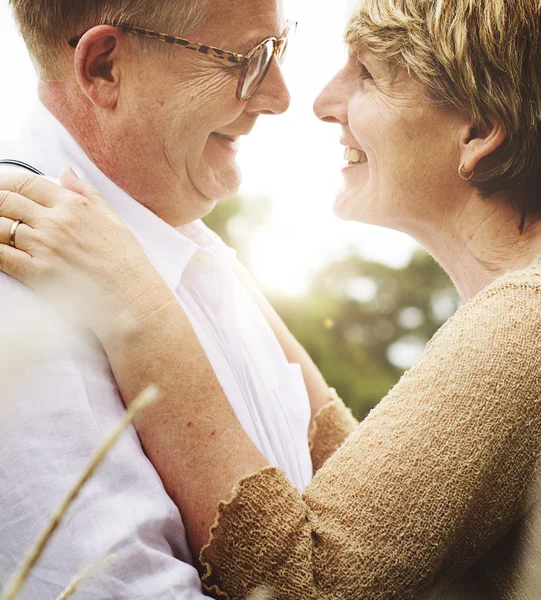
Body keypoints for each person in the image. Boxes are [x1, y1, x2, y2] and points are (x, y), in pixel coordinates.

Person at [1, 0, 541, 598]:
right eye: (249, 58)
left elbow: (307, 580)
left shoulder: (538, 321)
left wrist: (144, 309)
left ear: (477, 132)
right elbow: (380, 509)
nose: (312, 101)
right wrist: (195, 256)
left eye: (366, 74)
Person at [0, 0, 344, 597]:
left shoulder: (190, 244)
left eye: (279, 47)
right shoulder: (25, 296)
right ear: (104, 67)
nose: (281, 96)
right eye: (248, 60)